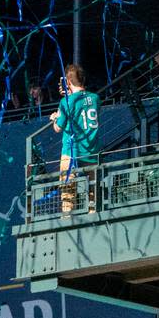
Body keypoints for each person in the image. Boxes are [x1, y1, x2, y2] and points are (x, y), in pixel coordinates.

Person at [50, 64, 101, 212]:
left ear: (68, 81)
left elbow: (58, 128)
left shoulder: (66, 101)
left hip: (71, 153)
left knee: (68, 193)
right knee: (93, 194)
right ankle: (94, 217)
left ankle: (67, 219)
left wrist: (55, 117)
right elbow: (81, 108)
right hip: (92, 152)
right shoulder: (95, 98)